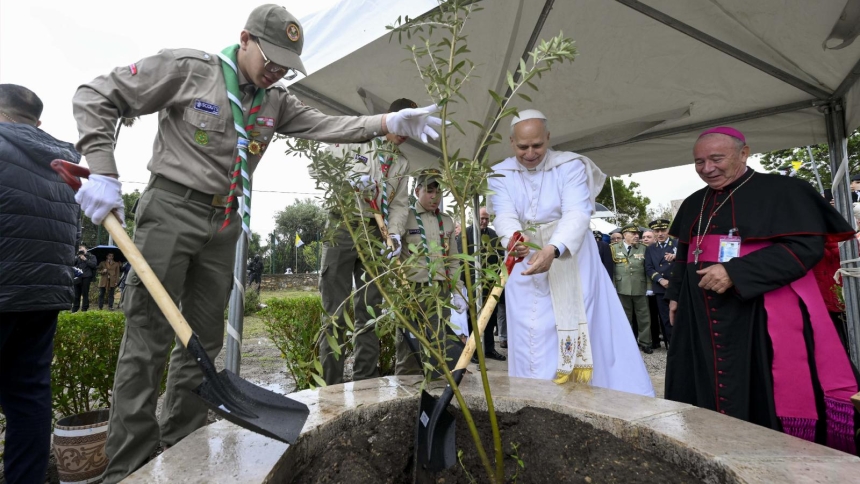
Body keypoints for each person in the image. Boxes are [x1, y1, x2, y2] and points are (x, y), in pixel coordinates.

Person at [71, 5, 443, 481]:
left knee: (202, 344)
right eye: (271, 58)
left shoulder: (276, 101)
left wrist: (387, 124)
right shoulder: (191, 70)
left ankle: (181, 450)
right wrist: (102, 167)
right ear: (244, 39)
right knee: (148, 338)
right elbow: (96, 94)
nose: (277, 70)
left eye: (287, 64)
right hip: (171, 210)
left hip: (225, 223)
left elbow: (329, 125)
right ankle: (129, 466)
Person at [665, 126, 859, 454]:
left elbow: (805, 248)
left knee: (761, 388)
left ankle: (776, 454)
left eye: (716, 158)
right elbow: (686, 253)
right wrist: (675, 296)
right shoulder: (694, 203)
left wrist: (736, 272)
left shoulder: (785, 190)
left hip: (759, 315)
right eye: (699, 162)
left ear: (744, 153)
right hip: (701, 316)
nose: (707, 168)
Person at [487, 109, 653, 397]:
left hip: (571, 256)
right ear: (512, 143)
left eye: (537, 145)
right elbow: (503, 214)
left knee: (581, 323)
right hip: (523, 255)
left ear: (548, 138)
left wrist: (554, 248)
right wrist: (513, 239)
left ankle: (583, 393)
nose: (530, 153)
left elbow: (577, 211)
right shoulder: (500, 172)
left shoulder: (571, 165)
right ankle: (532, 392)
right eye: (523, 146)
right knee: (530, 329)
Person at [0, 84, 80, 484]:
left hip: (4, 287)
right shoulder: (63, 162)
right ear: (38, 123)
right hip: (42, 296)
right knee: (29, 399)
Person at [318, 97, 418, 385]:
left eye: (410, 127)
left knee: (369, 312)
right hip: (343, 224)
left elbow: (400, 204)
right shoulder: (358, 139)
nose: (404, 132)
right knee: (334, 311)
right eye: (401, 123)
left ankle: (365, 384)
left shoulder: (401, 163)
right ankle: (331, 387)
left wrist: (395, 233)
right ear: (389, 117)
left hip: (377, 235)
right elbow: (320, 167)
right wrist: (346, 178)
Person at [395, 170, 467, 375]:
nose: (435, 196)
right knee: (408, 346)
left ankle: (434, 385)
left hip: (440, 292)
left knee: (438, 342)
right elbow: (394, 256)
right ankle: (404, 390)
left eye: (438, 191)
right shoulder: (405, 218)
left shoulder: (447, 221)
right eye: (429, 191)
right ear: (417, 191)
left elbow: (453, 259)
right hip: (412, 291)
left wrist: (457, 291)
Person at [464, 207, 507, 362]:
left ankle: (489, 349)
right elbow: (461, 260)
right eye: (481, 218)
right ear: (475, 217)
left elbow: (500, 255)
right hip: (472, 285)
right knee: (472, 318)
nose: (484, 222)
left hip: (489, 284)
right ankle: (473, 351)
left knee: (490, 316)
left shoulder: (493, 235)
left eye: (486, 219)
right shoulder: (466, 234)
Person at [610, 225, 653, 354]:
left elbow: (647, 268)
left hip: (640, 287)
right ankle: (627, 342)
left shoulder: (643, 248)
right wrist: (612, 286)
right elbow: (611, 269)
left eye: (637, 234)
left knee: (644, 317)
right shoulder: (613, 248)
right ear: (625, 235)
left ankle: (645, 343)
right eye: (633, 233)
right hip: (621, 287)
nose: (637, 236)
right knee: (624, 317)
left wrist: (649, 287)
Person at [644, 219, 676, 349]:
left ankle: (681, 343)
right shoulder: (651, 248)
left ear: (668, 230)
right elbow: (649, 268)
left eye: (663, 230)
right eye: (657, 231)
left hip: (676, 286)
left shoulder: (678, 244)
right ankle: (671, 345)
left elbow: (685, 263)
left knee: (678, 316)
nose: (660, 233)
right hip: (660, 287)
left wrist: (676, 256)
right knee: (665, 318)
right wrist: (661, 280)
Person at [72, 244, 98, 312]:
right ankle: (75, 309)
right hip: (77, 277)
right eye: (79, 249)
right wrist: (77, 257)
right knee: (76, 294)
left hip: (86, 277)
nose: (80, 250)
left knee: (85, 294)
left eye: (81, 248)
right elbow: (72, 264)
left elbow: (94, 266)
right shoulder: (77, 257)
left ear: (86, 249)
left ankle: (84, 309)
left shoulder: (91, 256)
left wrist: (85, 259)